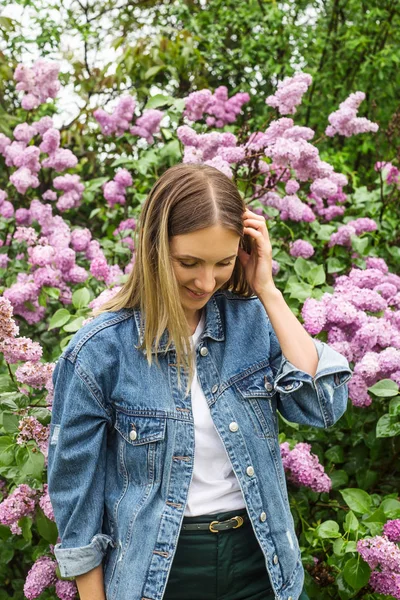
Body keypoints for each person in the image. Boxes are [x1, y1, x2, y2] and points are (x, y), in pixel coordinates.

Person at [47, 163, 352, 600]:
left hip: (264, 566)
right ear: (154, 249)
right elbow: (75, 497)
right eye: (188, 262)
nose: (206, 281)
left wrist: (267, 289)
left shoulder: (253, 324)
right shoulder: (98, 353)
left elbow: (322, 405)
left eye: (223, 263)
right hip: (159, 576)